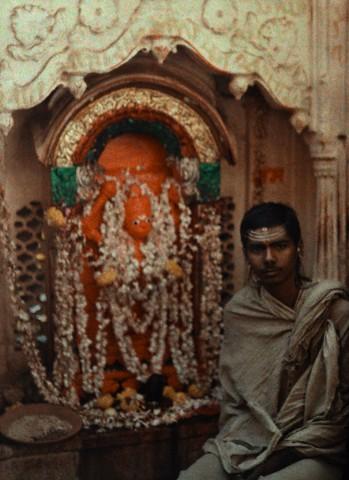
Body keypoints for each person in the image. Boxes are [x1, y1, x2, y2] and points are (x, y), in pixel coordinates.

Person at [178, 202, 349, 480]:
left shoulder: (333, 310)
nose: (269, 258)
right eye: (258, 249)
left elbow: (344, 404)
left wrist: (286, 452)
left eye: (280, 246)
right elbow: (235, 401)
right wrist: (251, 449)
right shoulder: (240, 312)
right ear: (246, 254)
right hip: (249, 439)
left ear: (298, 248)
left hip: (317, 446)